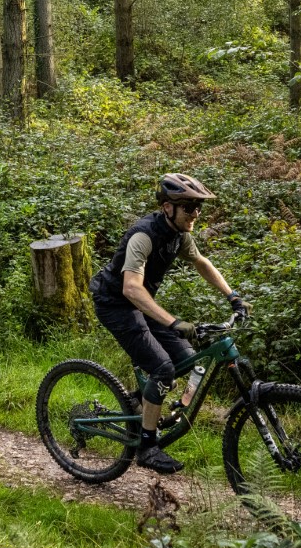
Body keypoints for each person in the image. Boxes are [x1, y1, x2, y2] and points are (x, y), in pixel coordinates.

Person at [89, 173, 249, 474]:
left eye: (198, 207)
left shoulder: (178, 234)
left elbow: (201, 261)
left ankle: (138, 403)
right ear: (167, 208)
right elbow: (131, 289)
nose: (196, 214)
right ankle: (148, 448)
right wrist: (174, 322)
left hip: (141, 302)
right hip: (115, 305)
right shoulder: (143, 235)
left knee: (187, 360)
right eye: (189, 207)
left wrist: (233, 297)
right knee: (163, 368)